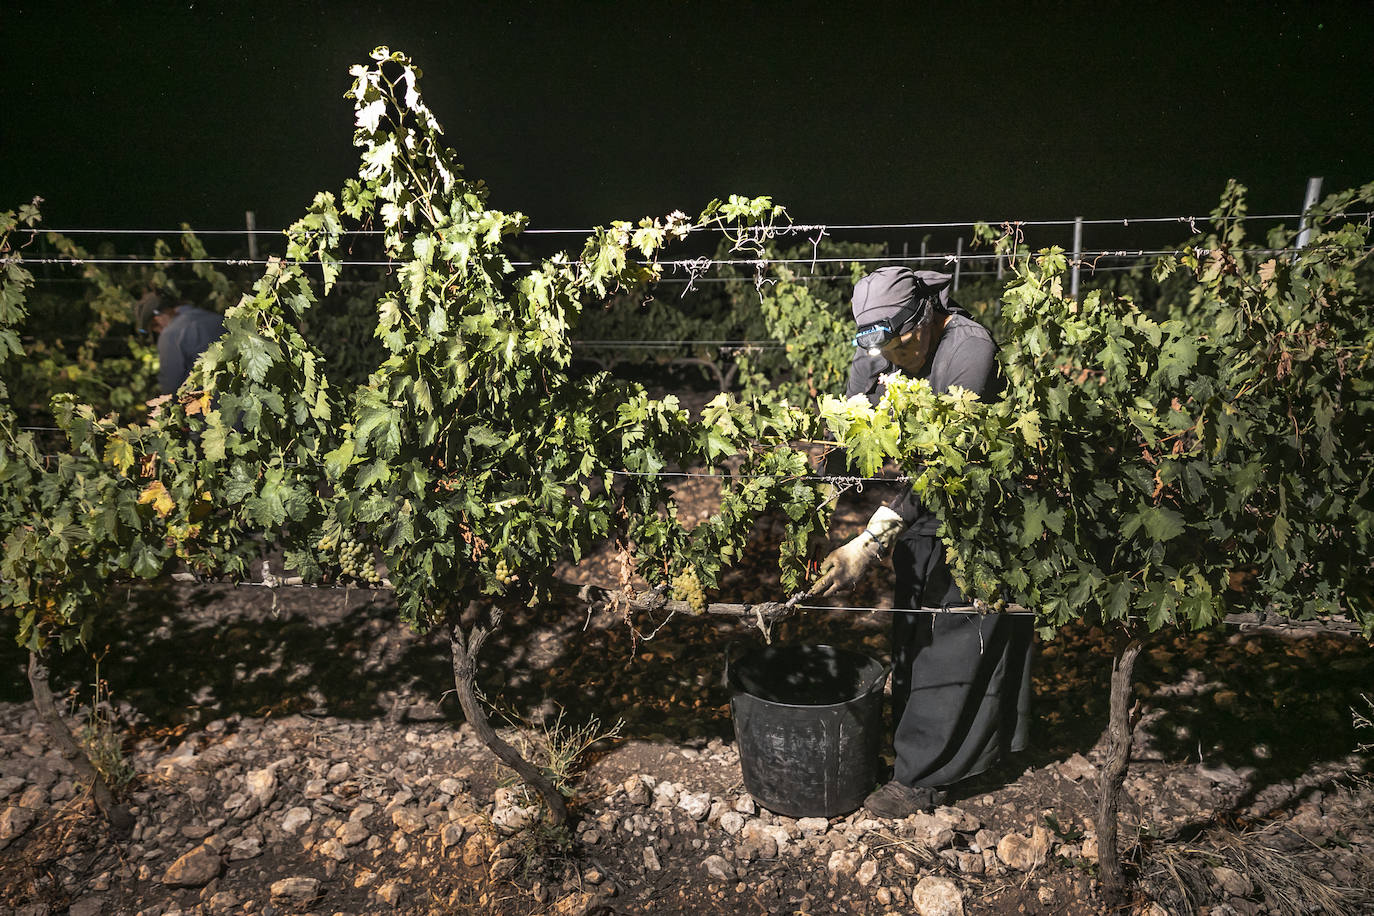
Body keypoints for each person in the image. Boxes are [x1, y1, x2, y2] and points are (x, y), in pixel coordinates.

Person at [810, 265, 1034, 818]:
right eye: (877, 342)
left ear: (925, 317)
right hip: (913, 510)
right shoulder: (876, 353)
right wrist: (817, 498)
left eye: (899, 339)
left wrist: (868, 542)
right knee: (913, 626)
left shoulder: (968, 350)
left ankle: (923, 777)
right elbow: (851, 439)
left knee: (958, 634)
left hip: (978, 506)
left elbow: (940, 462)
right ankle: (931, 743)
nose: (892, 353)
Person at [134, 290, 225, 395]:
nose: (158, 332)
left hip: (211, 403)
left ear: (157, 319)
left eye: (154, 327)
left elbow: (171, 385)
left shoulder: (170, 335)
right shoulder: (215, 317)